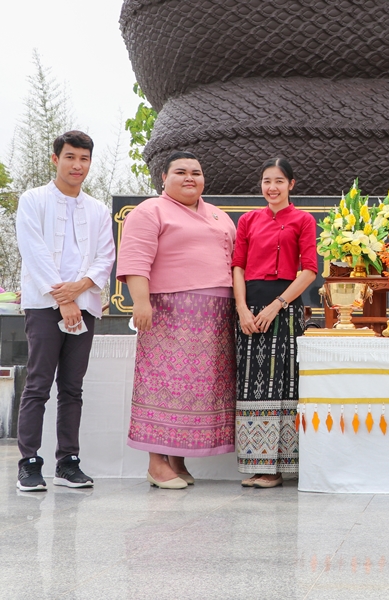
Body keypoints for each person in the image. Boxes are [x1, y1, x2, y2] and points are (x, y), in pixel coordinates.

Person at [117, 151, 237, 489]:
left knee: (195, 391)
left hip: (214, 316)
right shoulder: (149, 211)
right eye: (181, 172)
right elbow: (136, 260)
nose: (190, 178)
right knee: (164, 386)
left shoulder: (218, 216)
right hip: (169, 311)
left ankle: (177, 460)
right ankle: (156, 465)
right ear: (163, 179)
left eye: (196, 173)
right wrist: (141, 302)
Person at [14, 130, 116, 491]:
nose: (78, 165)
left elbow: (106, 257)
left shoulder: (98, 209)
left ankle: (67, 462)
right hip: (45, 304)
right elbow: (34, 251)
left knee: (72, 387)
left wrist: (80, 290)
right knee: (39, 383)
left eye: (84, 158)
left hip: (85, 306)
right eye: (70, 157)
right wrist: (64, 298)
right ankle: (28, 463)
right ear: (55, 160)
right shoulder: (33, 199)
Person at [232, 157, 317, 488]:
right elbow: (238, 266)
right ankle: (256, 462)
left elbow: (309, 270)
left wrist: (277, 306)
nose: (272, 187)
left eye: (279, 181)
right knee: (251, 383)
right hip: (249, 308)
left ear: (291, 185)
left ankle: (275, 468)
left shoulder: (303, 220)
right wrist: (242, 309)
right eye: (267, 181)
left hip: (285, 308)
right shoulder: (248, 220)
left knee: (280, 383)